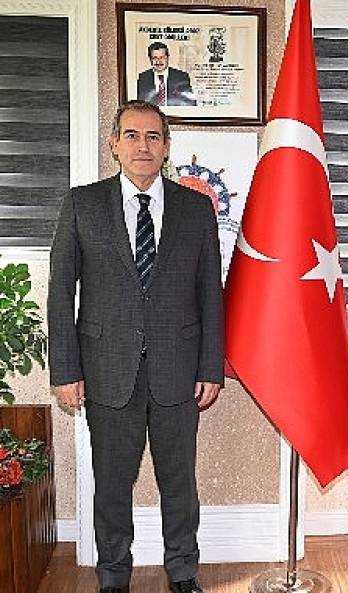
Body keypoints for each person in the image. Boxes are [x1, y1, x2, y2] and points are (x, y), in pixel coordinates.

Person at [48, 101, 222, 593]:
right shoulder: (82, 205)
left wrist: (211, 366)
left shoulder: (195, 209)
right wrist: (65, 371)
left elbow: (211, 293)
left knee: (179, 482)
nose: (142, 146)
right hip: (106, 370)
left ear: (166, 147)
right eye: (131, 135)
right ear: (114, 144)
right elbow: (60, 293)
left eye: (153, 136)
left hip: (179, 370)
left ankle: (183, 572)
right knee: (111, 484)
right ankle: (113, 576)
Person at [136, 42, 196, 107]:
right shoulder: (143, 78)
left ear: (167, 57)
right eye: (155, 58)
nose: (158, 61)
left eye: (162, 57)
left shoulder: (181, 77)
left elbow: (190, 104)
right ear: (150, 59)